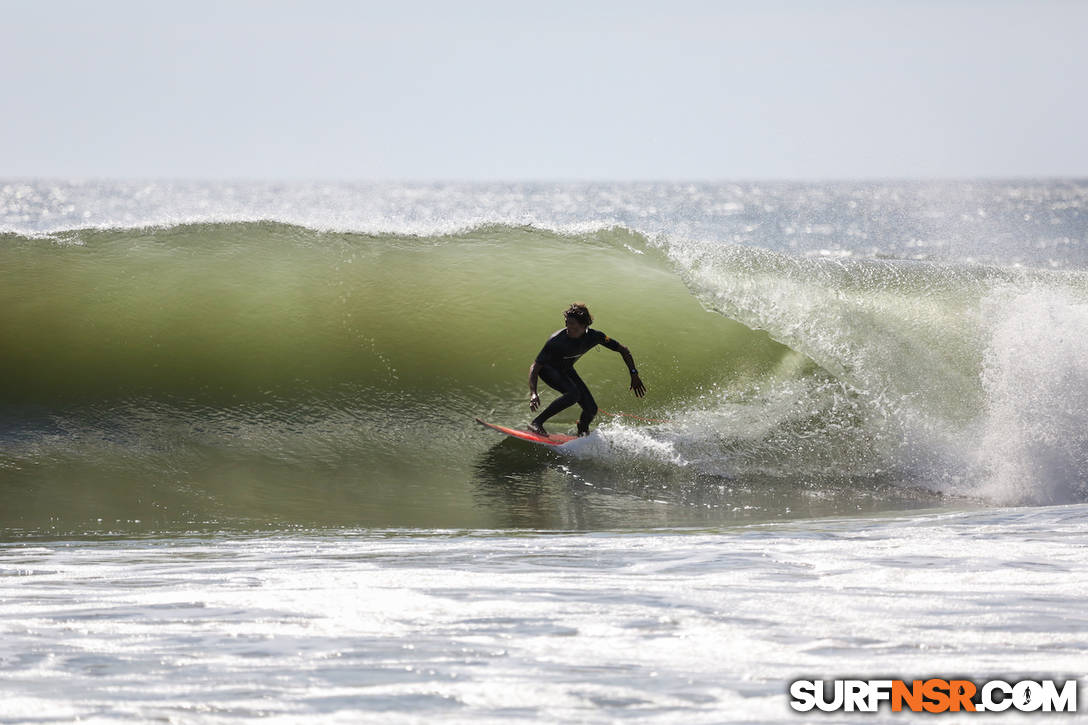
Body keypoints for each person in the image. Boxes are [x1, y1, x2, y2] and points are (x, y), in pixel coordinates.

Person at [528, 302, 646, 436]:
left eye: (573, 325)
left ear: (584, 326)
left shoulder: (595, 336)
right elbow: (535, 366)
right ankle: (537, 423)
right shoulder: (556, 341)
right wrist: (533, 392)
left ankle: (582, 430)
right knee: (573, 395)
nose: (568, 328)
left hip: (566, 369)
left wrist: (634, 374)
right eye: (567, 323)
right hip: (548, 370)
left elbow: (623, 350)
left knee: (591, 409)